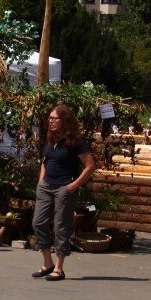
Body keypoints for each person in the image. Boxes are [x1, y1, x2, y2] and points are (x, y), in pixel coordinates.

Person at [31, 104, 96, 282]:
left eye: (55, 118)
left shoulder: (75, 140)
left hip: (64, 188)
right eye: (50, 118)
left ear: (64, 120)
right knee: (38, 222)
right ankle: (47, 263)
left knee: (61, 226)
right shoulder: (51, 139)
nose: (51, 121)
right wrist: (41, 181)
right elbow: (45, 161)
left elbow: (90, 166)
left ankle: (59, 268)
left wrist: (73, 186)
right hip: (46, 186)